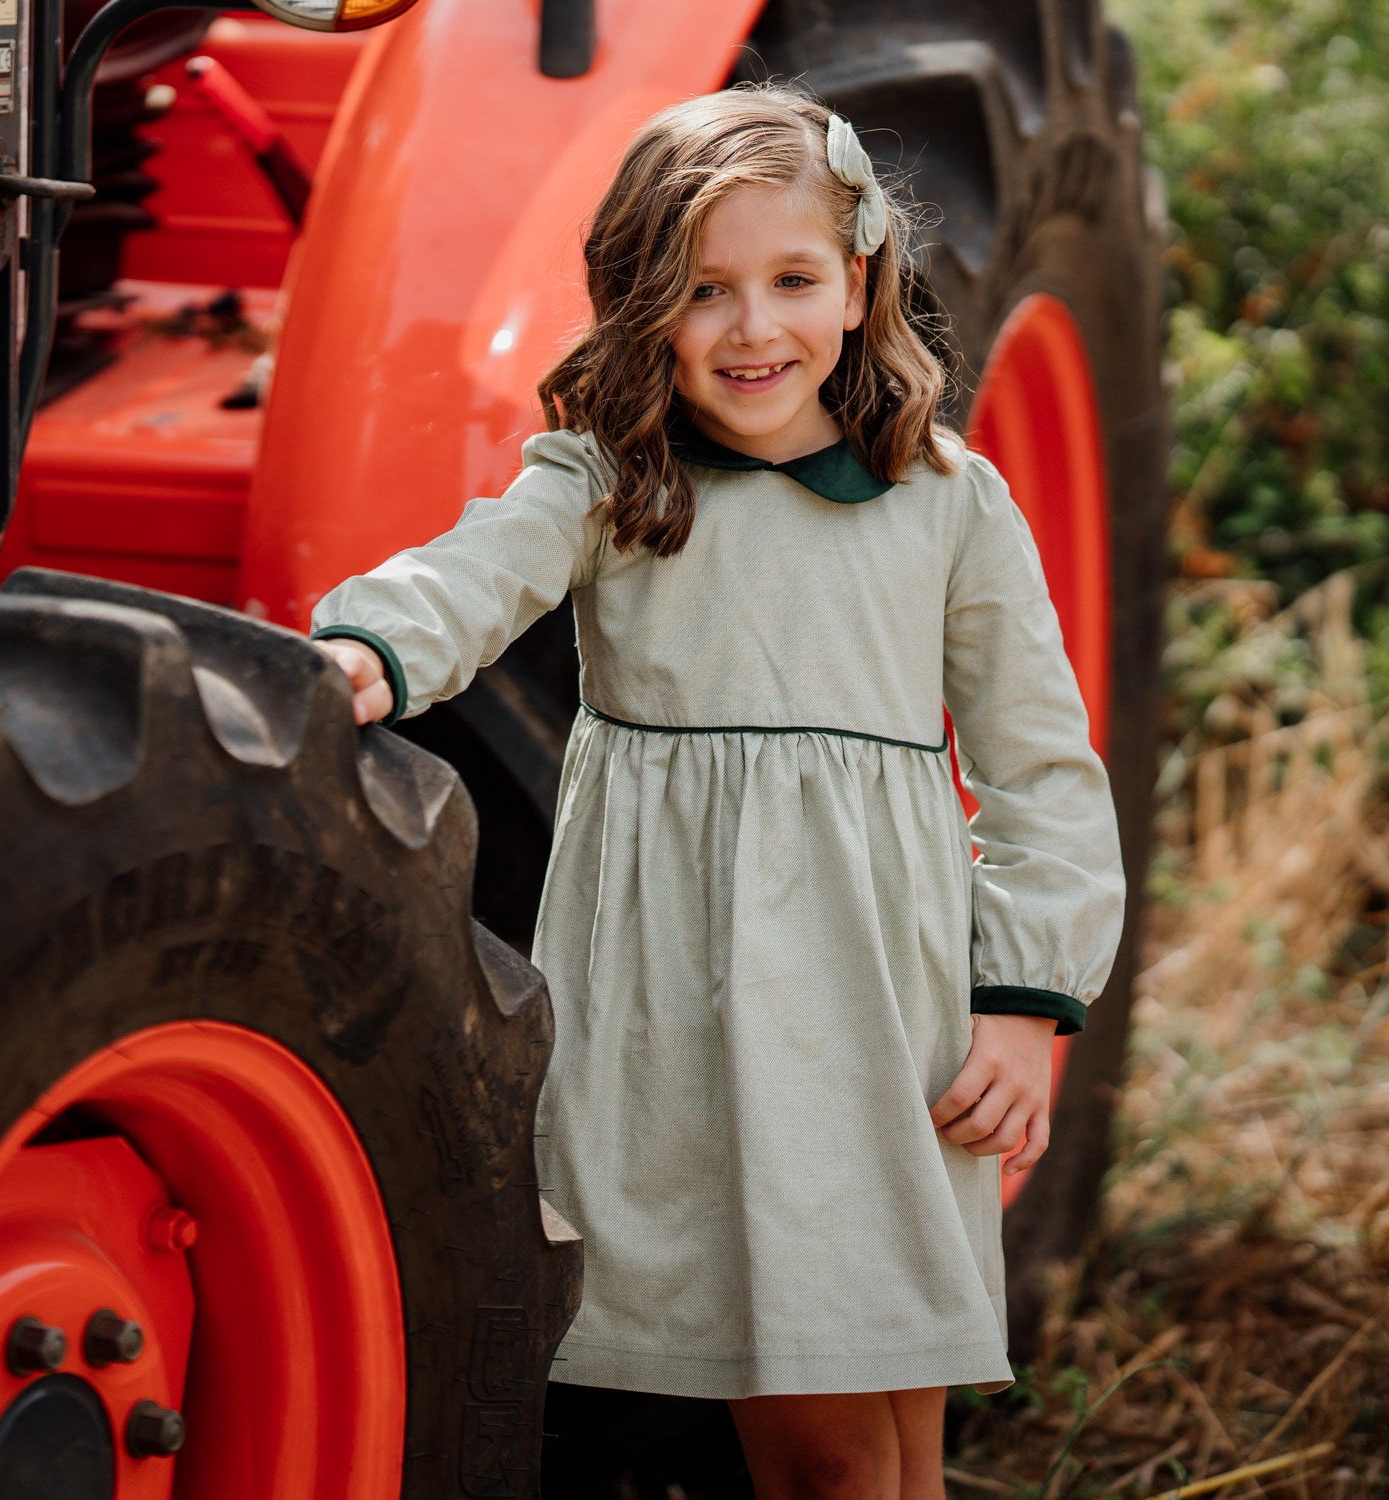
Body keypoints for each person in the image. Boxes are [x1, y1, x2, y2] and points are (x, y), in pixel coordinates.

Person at [311, 85, 1125, 1500]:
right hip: (702, 1014)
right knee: (818, 1446)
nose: (755, 331)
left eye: (793, 281)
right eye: (703, 294)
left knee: (898, 1407)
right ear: (642, 308)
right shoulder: (611, 485)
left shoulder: (947, 502)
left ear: (859, 276)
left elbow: (1042, 765)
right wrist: (370, 649)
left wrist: (1024, 998)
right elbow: (475, 567)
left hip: (893, 1006)